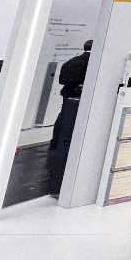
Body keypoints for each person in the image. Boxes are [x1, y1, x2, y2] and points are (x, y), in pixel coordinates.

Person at [47, 40, 92, 196]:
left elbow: (62, 80)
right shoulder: (92, 63)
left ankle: (55, 151)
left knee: (62, 125)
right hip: (79, 100)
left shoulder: (72, 61)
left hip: (68, 99)